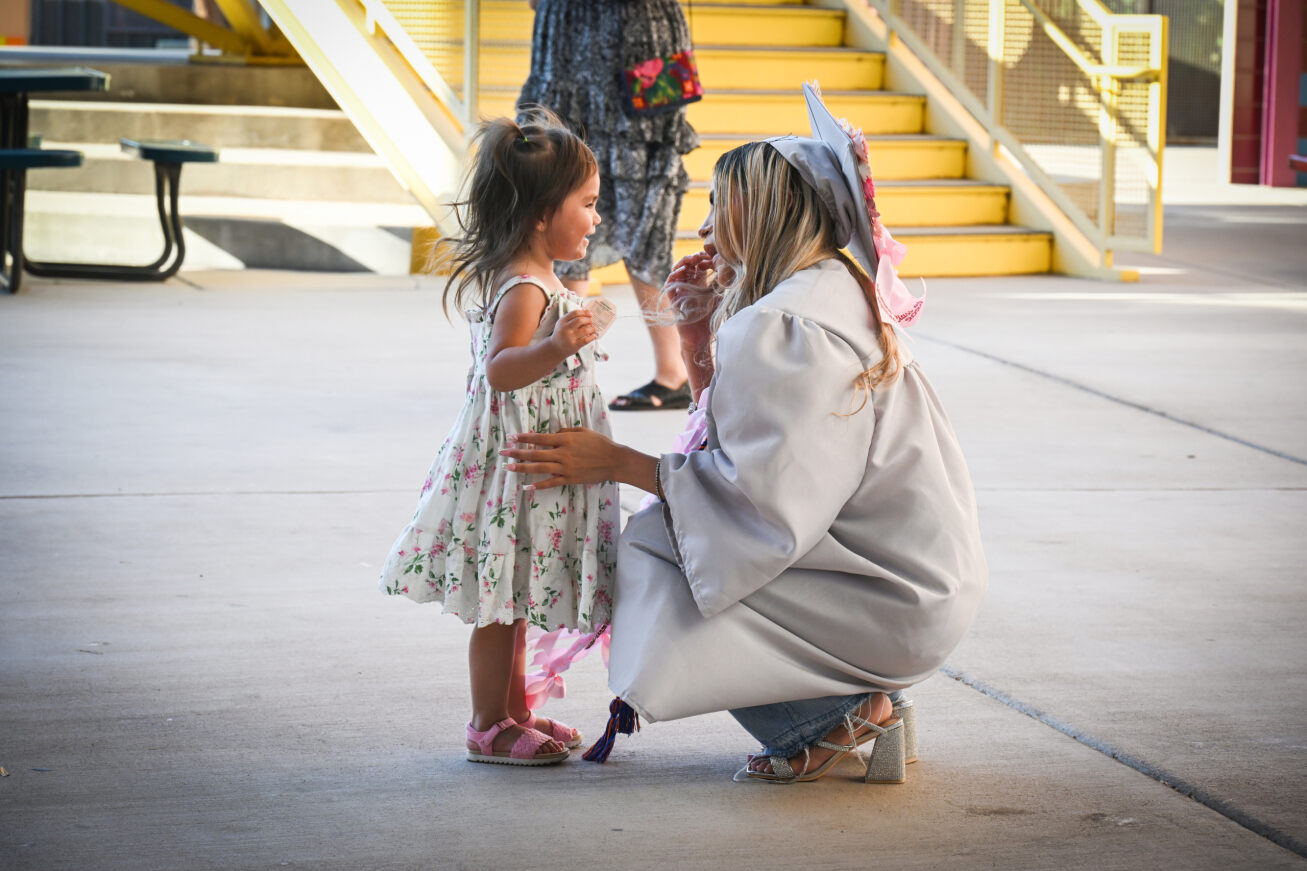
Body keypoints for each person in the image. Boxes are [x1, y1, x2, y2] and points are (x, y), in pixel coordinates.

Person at [502, 84, 987, 783]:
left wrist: (615, 461)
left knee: (649, 550)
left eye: (714, 203)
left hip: (888, 598)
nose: (700, 227)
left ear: (762, 211)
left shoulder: (782, 323)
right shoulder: (829, 290)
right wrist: (701, 333)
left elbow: (759, 507)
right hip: (911, 586)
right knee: (681, 537)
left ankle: (828, 722)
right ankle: (864, 701)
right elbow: (753, 446)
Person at [378, 113, 619, 767]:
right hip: (511, 463)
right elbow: (501, 368)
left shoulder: (537, 276)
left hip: (525, 458)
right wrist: (556, 342)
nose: (595, 219)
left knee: (512, 596)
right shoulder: (521, 285)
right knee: (499, 601)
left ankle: (513, 710)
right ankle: (488, 723)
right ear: (543, 213)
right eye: (588, 204)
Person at [519, 0, 698, 410]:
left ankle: (671, 371)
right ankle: (564, 359)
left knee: (639, 205)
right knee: (562, 190)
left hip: (629, 34)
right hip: (593, 32)